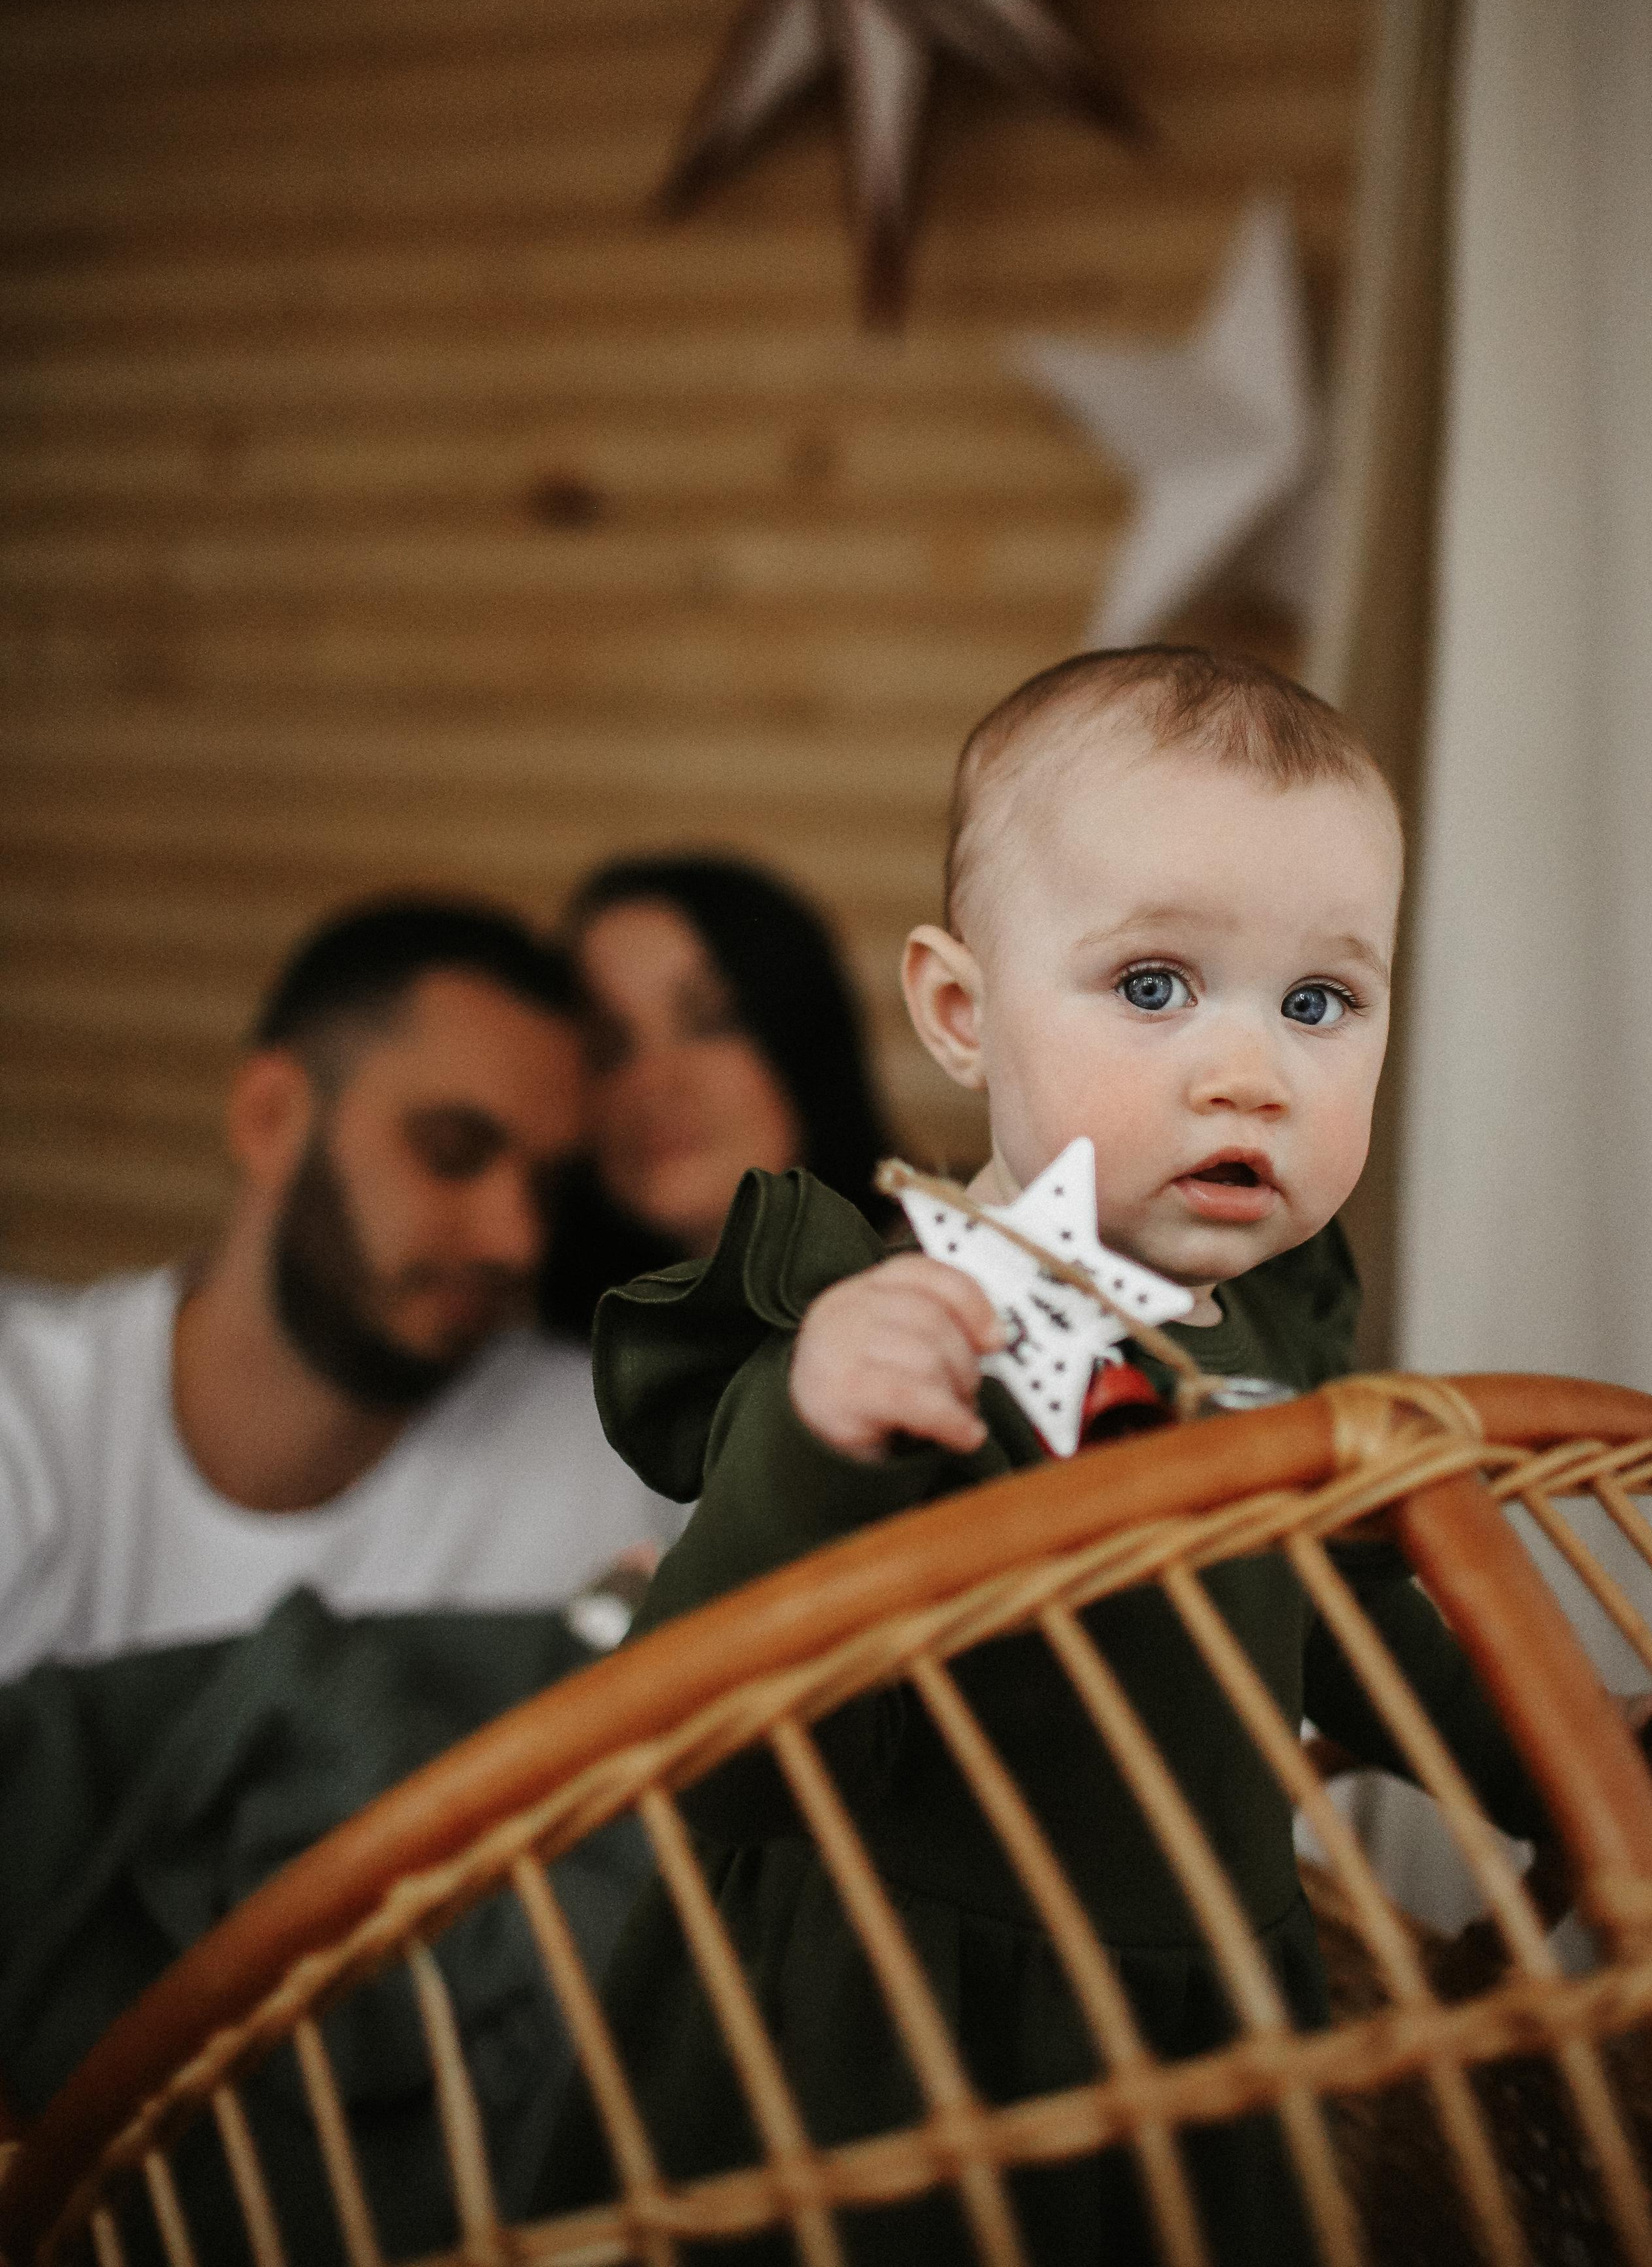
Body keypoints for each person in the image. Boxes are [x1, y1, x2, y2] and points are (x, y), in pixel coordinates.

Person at [548, 648, 1549, 2264]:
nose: (1248, 1071)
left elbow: (1351, 1624)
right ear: (958, 1009)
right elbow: (694, 1740)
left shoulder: (1271, 1333)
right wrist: (811, 1433)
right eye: (1152, 985)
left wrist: (1551, 1753)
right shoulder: (876, 1326)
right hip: (894, 2040)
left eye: (1319, 1002)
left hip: (1209, 2011)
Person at [0, 899, 679, 1683]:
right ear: (271, 1119)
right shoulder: (26, 1432)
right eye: (453, 1152)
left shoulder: (606, 1456)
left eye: (549, 1188)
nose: (516, 1239)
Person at [538, 852, 897, 1340]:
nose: (655, 1084)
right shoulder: (526, 1370)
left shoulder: (966, 1295)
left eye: (710, 1023)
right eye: (609, 1046)